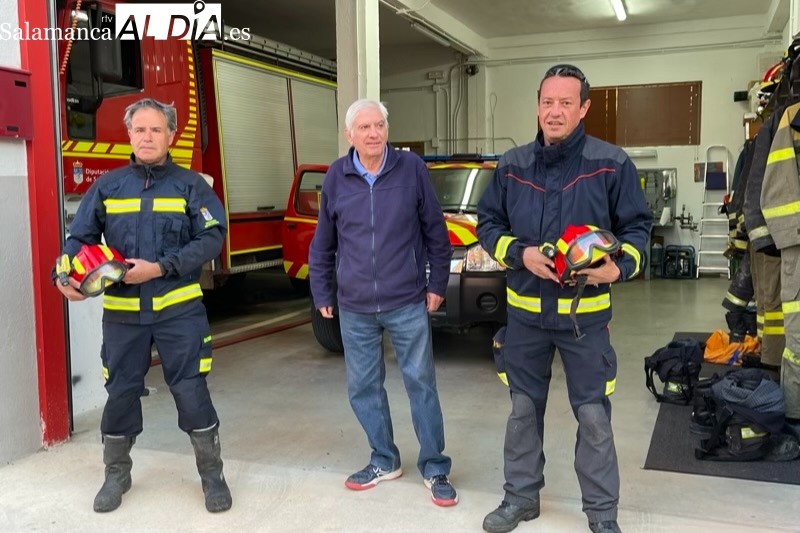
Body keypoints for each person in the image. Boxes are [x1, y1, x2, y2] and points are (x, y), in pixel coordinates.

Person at [476, 65, 652, 533]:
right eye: (547, 102)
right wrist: (519, 253)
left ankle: (601, 514)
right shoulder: (512, 165)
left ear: (584, 108)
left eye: (566, 103)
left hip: (585, 320)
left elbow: (638, 228)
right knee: (521, 411)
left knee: (594, 417)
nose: (555, 112)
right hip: (525, 319)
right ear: (537, 106)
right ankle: (520, 499)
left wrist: (621, 266)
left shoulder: (610, 163)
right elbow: (488, 225)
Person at [54, 98, 232, 514]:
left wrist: (159, 268)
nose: (147, 137)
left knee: (191, 390)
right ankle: (116, 474)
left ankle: (212, 476)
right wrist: (65, 276)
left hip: (180, 312)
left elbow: (210, 239)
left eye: (156, 130)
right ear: (129, 135)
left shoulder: (191, 185)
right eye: (140, 130)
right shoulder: (108, 186)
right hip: (123, 315)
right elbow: (77, 239)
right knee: (120, 392)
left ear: (170, 135)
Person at [308, 98, 458, 507]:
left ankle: (434, 465)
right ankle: (384, 458)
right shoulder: (337, 177)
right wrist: (323, 291)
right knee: (363, 387)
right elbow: (323, 242)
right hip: (354, 305)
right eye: (364, 128)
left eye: (379, 125)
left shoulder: (411, 169)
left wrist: (437, 283)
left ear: (387, 129)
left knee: (421, 383)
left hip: (406, 299)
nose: (373, 134)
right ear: (349, 135)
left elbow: (436, 234)